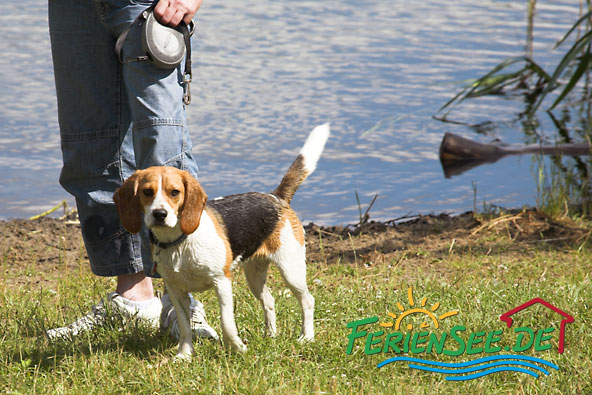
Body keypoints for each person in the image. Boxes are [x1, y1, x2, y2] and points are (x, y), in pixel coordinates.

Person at [46, 0, 217, 341]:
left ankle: (180, 303)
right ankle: (134, 300)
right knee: (90, 147)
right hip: (71, 8)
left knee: (162, 141)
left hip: (147, 4)